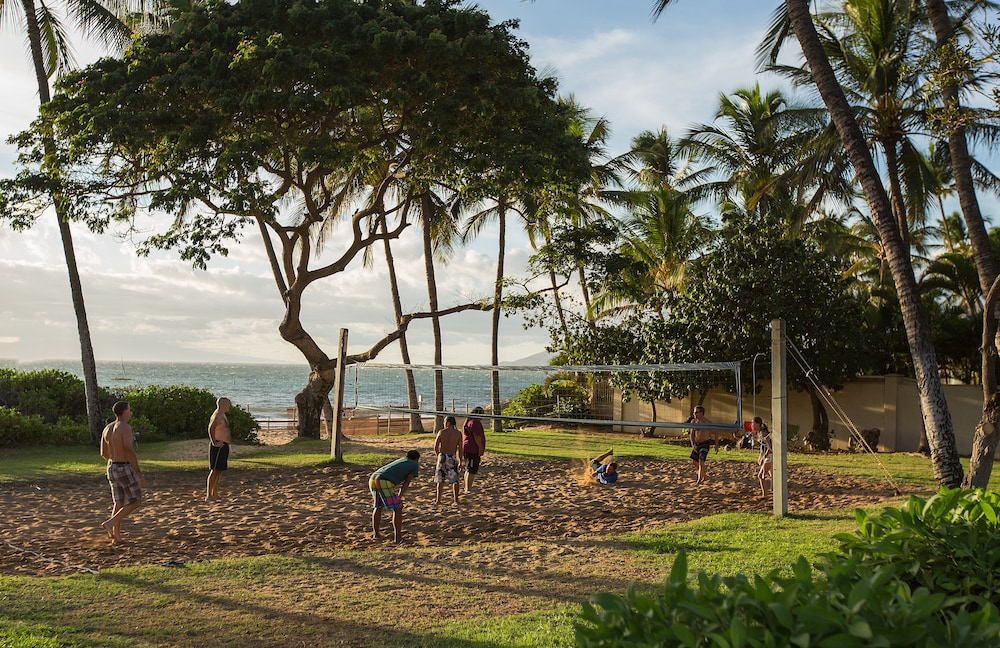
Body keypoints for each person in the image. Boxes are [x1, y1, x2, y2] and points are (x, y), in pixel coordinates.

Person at [100, 400, 145, 544]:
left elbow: (103, 452)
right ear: (125, 412)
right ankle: (110, 523)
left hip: (111, 466)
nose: (130, 412)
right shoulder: (125, 427)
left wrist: (113, 461)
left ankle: (116, 536)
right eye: (129, 410)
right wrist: (138, 472)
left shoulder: (108, 428)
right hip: (122, 466)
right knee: (136, 500)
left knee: (119, 503)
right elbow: (129, 450)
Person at [369, 450, 420, 543]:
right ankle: (398, 538)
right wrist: (400, 495)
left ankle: (375, 534)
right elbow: (407, 482)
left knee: (378, 506)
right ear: (417, 459)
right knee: (398, 508)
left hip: (373, 478)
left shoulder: (402, 460)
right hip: (384, 481)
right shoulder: (414, 465)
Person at [206, 397, 232, 501]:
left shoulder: (222, 414)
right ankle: (209, 495)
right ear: (223, 404)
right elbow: (211, 428)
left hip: (223, 445)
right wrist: (214, 442)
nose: (229, 406)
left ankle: (215, 493)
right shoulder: (218, 415)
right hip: (218, 446)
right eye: (228, 404)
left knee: (219, 471)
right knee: (214, 470)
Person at [434, 416, 462, 504]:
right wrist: (460, 461)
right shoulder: (458, 433)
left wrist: (438, 455)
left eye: (445, 421)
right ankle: (455, 500)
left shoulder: (441, 432)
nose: (444, 423)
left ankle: (438, 500)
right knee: (455, 479)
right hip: (451, 456)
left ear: (448, 423)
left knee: (440, 479)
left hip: (442, 455)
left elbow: (436, 446)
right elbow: (460, 449)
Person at [688, 405, 719, 486]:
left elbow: (716, 433)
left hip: (705, 444)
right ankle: (704, 476)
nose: (694, 414)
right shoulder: (694, 422)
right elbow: (691, 435)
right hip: (697, 444)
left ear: (701, 413)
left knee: (701, 461)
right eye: (694, 412)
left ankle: (699, 480)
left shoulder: (707, 423)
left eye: (696, 412)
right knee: (694, 462)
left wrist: (716, 445)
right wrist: (693, 444)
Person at [462, 406, 487, 493]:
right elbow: (477, 436)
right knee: (471, 469)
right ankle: (468, 488)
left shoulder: (468, 420)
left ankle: (466, 487)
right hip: (472, 449)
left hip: (467, 447)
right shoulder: (475, 422)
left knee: (468, 468)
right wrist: (480, 447)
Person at [754, 416, 773, 498]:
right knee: (772, 475)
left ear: (757, 424)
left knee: (761, 475)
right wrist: (760, 457)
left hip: (769, 455)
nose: (752, 425)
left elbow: (770, 448)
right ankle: (774, 491)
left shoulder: (763, 433)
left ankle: (764, 495)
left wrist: (764, 457)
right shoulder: (758, 433)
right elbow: (762, 448)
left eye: (753, 423)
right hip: (767, 455)